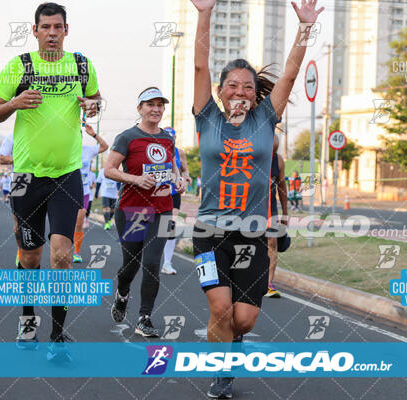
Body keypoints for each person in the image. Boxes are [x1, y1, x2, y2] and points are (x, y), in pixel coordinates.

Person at [190, 0, 323, 397]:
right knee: (220, 310)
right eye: (233, 84)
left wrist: (304, 27)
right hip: (208, 233)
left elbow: (290, 73)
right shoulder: (207, 117)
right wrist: (204, 13)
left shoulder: (266, 120)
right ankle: (222, 374)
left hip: (252, 235)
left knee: (244, 320)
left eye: (248, 86)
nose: (241, 91)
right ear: (220, 90)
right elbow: (199, 65)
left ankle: (233, 344)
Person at [0, 2, 102, 359]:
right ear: (34, 31)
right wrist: (16, 102)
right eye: (45, 27)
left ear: (66, 31)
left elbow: (96, 99)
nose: (52, 33)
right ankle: (27, 322)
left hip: (66, 174)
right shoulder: (19, 66)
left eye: (58, 27)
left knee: (63, 255)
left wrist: (95, 106)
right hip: (25, 176)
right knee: (32, 256)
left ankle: (57, 337)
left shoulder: (82, 65)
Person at [104, 86, 184, 337]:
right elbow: (109, 169)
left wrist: (179, 180)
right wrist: (136, 180)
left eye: (160, 105)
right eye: (150, 104)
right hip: (132, 210)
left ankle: (144, 318)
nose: (156, 109)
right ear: (140, 108)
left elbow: (172, 166)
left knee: (151, 263)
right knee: (131, 265)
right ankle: (122, 293)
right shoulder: (127, 137)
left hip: (162, 209)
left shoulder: (168, 139)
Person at [73, 124, 108, 263]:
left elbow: (105, 146)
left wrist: (93, 134)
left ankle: (76, 252)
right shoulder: (63, 151)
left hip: (84, 191)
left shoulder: (87, 150)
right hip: (66, 191)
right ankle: (62, 249)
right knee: (65, 224)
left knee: (78, 223)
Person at [161, 127, 192, 275]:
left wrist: (186, 176)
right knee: (155, 227)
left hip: (174, 193)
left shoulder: (180, 153)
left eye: (172, 138)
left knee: (170, 226)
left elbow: (185, 169)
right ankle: (150, 259)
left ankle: (167, 263)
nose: (169, 141)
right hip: (157, 194)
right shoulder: (156, 151)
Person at [265, 135, 288, 298]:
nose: (272, 153)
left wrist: (285, 213)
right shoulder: (251, 157)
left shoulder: (278, 161)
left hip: (270, 208)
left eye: (275, 150)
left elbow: (282, 187)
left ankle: (268, 284)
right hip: (250, 207)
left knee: (272, 243)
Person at [0, 133, 22, 266]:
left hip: (43, 177)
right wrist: (23, 157)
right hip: (21, 178)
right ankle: (21, 251)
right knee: (19, 223)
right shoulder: (13, 136)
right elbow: (2, 159)